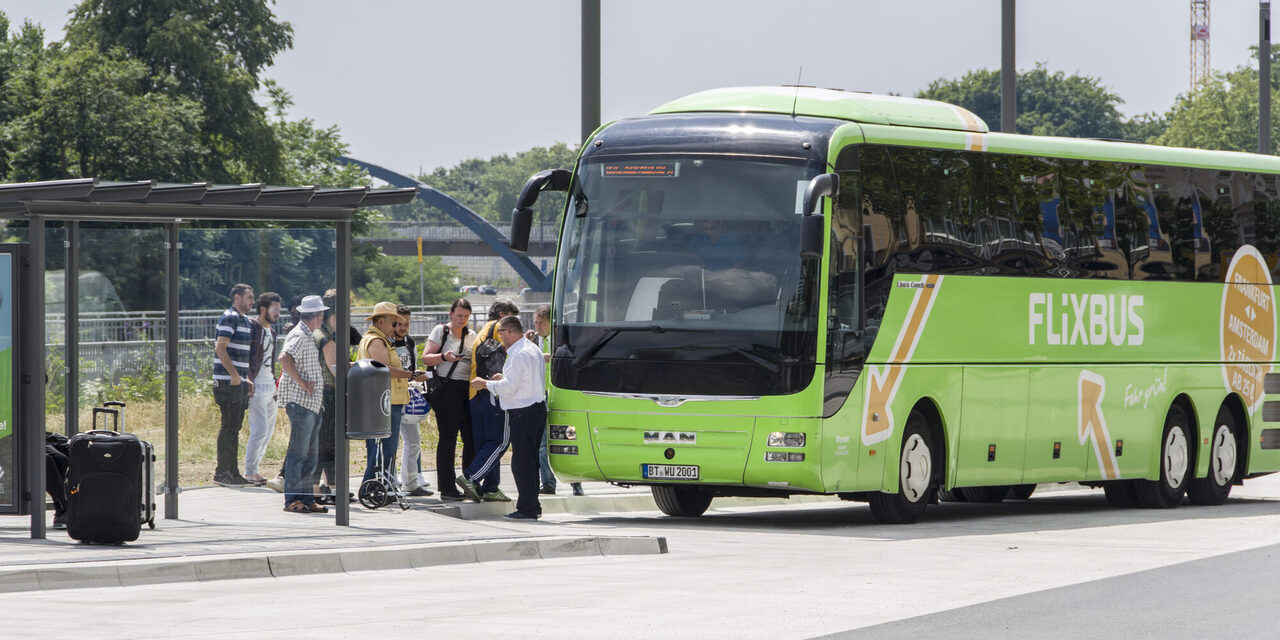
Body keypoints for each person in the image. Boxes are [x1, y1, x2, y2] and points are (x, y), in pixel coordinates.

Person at [468, 315, 547, 520]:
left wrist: (485, 384)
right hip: (536, 409)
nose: (500, 337)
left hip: (523, 413)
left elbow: (509, 388)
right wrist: (503, 378)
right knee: (531, 462)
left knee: (521, 464)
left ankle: (527, 509)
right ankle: (533, 505)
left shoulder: (518, 354)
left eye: (501, 332)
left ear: (509, 332)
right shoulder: (531, 349)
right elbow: (522, 380)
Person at [359, 301, 427, 488]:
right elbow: (384, 369)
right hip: (384, 401)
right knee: (383, 447)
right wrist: (411, 375)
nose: (395, 327)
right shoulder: (376, 341)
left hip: (388, 399)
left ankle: (382, 485)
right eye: (393, 323)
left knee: (385, 447)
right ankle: (373, 486)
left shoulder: (379, 339)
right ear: (382, 321)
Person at [458, 298, 519, 502]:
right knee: (500, 440)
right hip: (492, 392)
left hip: (476, 394)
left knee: (487, 442)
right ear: (503, 316)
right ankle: (471, 477)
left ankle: (491, 487)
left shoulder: (483, 329)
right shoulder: (497, 328)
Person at [278, 295, 329, 514]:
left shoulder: (307, 335)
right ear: (318, 316)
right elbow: (284, 358)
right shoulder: (299, 335)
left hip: (311, 403)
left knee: (310, 454)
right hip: (301, 402)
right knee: (300, 453)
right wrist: (302, 383)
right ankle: (293, 499)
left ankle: (306, 498)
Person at [421, 298, 475, 501]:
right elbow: (426, 358)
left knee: (470, 437)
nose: (462, 320)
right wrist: (444, 356)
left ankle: (469, 481)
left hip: (466, 388)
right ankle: (447, 487)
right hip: (446, 388)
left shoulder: (472, 336)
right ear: (451, 314)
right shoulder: (441, 331)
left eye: (466, 316)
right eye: (459, 315)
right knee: (448, 437)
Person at [212, 283, 255, 486]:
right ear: (237, 297)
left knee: (234, 428)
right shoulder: (230, 317)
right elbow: (220, 347)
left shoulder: (245, 320)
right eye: (249, 297)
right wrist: (234, 375)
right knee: (228, 427)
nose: (252, 301)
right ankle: (223, 472)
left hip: (238, 381)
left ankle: (232, 471)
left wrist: (245, 379)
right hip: (227, 382)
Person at [392, 303, 433, 496]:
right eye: (399, 323)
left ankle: (410, 481)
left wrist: (418, 376)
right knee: (390, 442)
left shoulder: (409, 342)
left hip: (407, 396)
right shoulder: (385, 342)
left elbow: (412, 370)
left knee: (414, 440)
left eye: (406, 323)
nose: (403, 327)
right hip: (390, 397)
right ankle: (391, 481)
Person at [243, 292, 281, 485]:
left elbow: (271, 361)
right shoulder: (252, 327)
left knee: (268, 431)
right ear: (263, 309)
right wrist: (248, 379)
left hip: (269, 384)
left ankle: (255, 468)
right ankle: (249, 470)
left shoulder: (271, 332)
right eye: (275, 309)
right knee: (259, 428)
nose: (278, 314)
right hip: (256, 384)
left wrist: (275, 384)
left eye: (279, 310)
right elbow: (247, 357)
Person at [312, 290, 341, 503]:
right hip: (328, 393)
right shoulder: (326, 339)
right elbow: (335, 370)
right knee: (326, 444)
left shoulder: (320, 334)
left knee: (327, 443)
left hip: (324, 393)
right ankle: (318, 488)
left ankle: (331, 486)